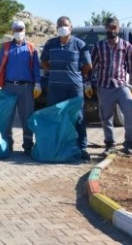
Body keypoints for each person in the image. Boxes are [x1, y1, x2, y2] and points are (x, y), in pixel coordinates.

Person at [41, 16, 92, 161]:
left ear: (71, 27)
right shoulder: (50, 44)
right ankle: (56, 146)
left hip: (74, 88)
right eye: (60, 25)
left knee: (78, 118)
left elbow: (88, 66)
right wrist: (54, 72)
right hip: (55, 88)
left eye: (65, 25)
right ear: (56, 28)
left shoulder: (80, 44)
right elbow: (44, 61)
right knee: (55, 116)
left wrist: (75, 75)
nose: (62, 27)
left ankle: (81, 148)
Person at [91, 16, 132, 157]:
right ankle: (110, 144)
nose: (111, 30)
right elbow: (92, 66)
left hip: (122, 85)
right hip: (104, 86)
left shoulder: (126, 46)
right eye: (109, 28)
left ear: (118, 28)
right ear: (105, 29)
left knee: (130, 111)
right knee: (106, 117)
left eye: (114, 28)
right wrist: (88, 82)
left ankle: (129, 143)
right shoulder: (99, 47)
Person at [0, 21, 41, 155]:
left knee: (27, 118)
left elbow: (36, 67)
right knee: (7, 119)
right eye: (16, 29)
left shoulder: (31, 47)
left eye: (21, 29)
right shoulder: (6, 47)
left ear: (25, 30)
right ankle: (8, 145)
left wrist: (37, 83)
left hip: (26, 88)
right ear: (12, 30)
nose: (18, 31)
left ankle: (28, 146)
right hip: (9, 87)